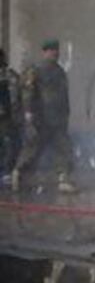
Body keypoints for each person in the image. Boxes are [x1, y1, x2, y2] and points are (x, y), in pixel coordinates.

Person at [11, 39, 77, 193]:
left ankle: (63, 179)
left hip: (57, 119)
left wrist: (66, 114)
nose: (54, 53)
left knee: (64, 149)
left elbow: (63, 95)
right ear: (44, 51)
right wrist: (28, 114)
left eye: (56, 50)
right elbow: (28, 92)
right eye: (51, 50)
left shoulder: (59, 71)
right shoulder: (35, 70)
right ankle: (18, 173)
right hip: (41, 118)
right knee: (33, 149)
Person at [0, 48, 20, 184]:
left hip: (7, 116)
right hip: (7, 116)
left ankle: (6, 172)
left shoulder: (9, 75)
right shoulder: (10, 75)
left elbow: (16, 95)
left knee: (8, 144)